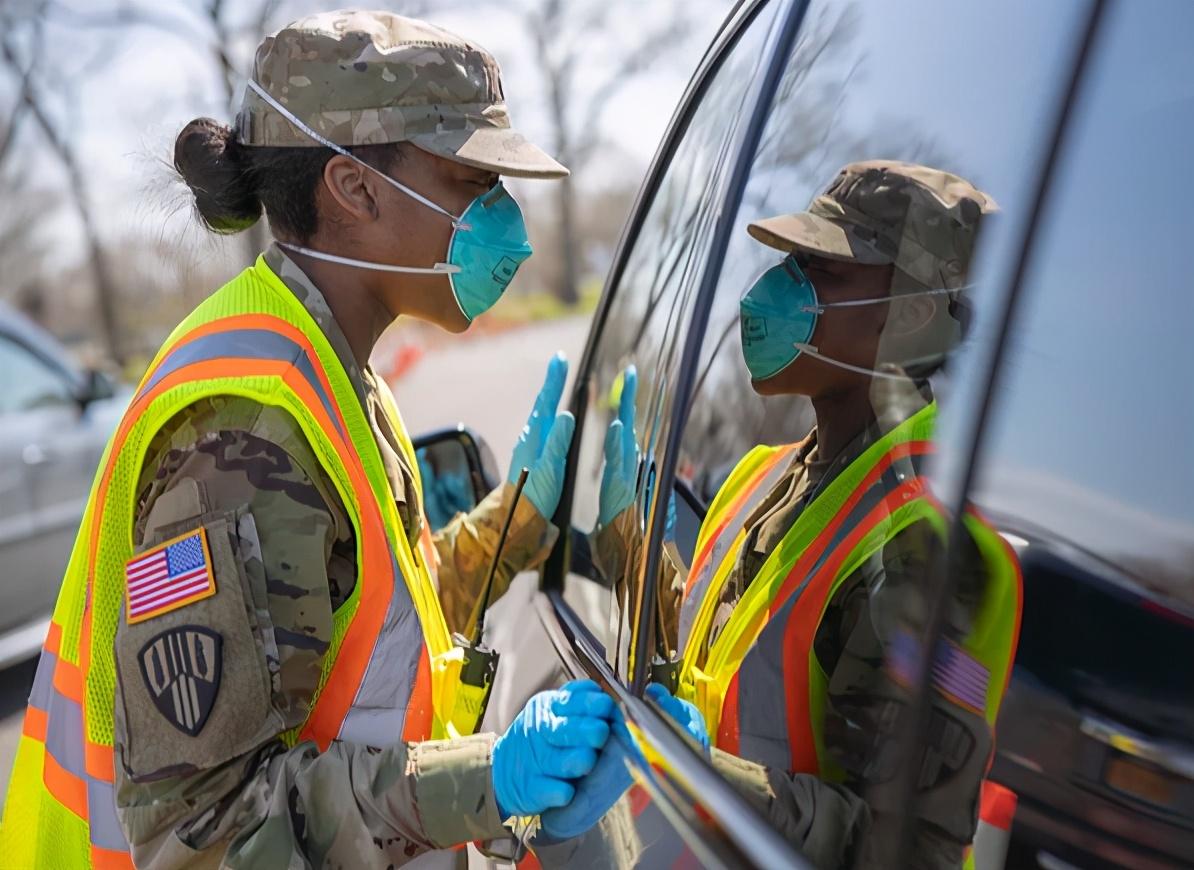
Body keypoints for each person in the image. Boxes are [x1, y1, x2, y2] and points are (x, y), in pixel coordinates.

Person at [0, 12, 639, 867]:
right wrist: (492, 781)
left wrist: (509, 526)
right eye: (471, 182)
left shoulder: (330, 369)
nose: (507, 222)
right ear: (356, 189)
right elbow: (208, 833)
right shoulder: (247, 431)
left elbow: (355, 636)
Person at [595, 161, 1022, 867]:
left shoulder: (926, 547)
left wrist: (696, 773)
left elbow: (897, 847)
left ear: (911, 314)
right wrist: (625, 542)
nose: (775, 289)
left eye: (823, 271)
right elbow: (715, 666)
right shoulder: (762, 475)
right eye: (792, 260)